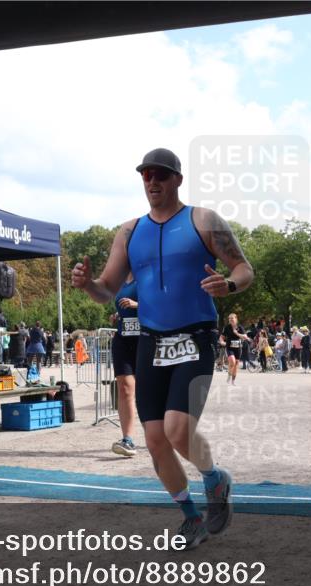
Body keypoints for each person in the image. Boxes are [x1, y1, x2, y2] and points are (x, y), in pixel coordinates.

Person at [72, 147, 253, 549]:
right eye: (146, 175)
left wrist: (229, 284)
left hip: (195, 337)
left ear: (177, 180)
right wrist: (87, 285)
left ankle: (214, 479)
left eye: (160, 174)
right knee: (155, 440)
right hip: (150, 342)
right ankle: (192, 518)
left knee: (177, 430)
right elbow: (107, 290)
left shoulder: (203, 220)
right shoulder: (129, 232)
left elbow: (245, 269)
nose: (152, 181)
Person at [111, 275, 140, 457]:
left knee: (149, 392)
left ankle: (162, 435)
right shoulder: (120, 281)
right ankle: (127, 440)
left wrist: (137, 305)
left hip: (146, 339)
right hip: (123, 339)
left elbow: (164, 304)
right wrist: (118, 315)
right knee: (125, 388)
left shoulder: (148, 274)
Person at [220, 313, 248, 386]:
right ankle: (229, 375)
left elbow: (245, 337)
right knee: (232, 361)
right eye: (229, 318)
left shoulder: (240, 327)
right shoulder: (227, 327)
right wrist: (222, 341)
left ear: (236, 319)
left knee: (236, 364)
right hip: (229, 347)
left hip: (238, 348)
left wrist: (237, 334)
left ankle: (233, 381)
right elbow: (222, 336)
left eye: (232, 318)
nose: (230, 319)